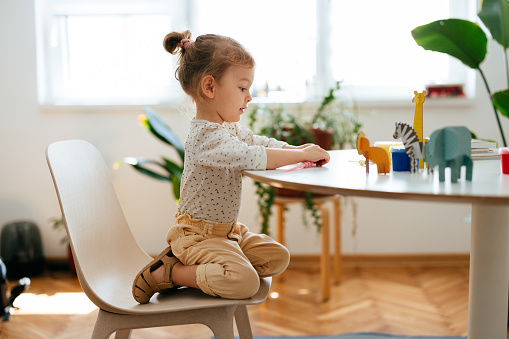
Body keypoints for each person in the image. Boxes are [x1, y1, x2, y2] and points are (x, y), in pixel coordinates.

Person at [132, 30, 330, 304]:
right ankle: (170, 272)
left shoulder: (227, 129)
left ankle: (219, 266)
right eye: (242, 88)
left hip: (228, 232)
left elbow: (257, 141)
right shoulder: (205, 138)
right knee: (245, 282)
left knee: (277, 257)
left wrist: (295, 150)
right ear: (210, 87)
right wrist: (298, 156)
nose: (249, 97)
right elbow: (251, 155)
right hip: (196, 236)